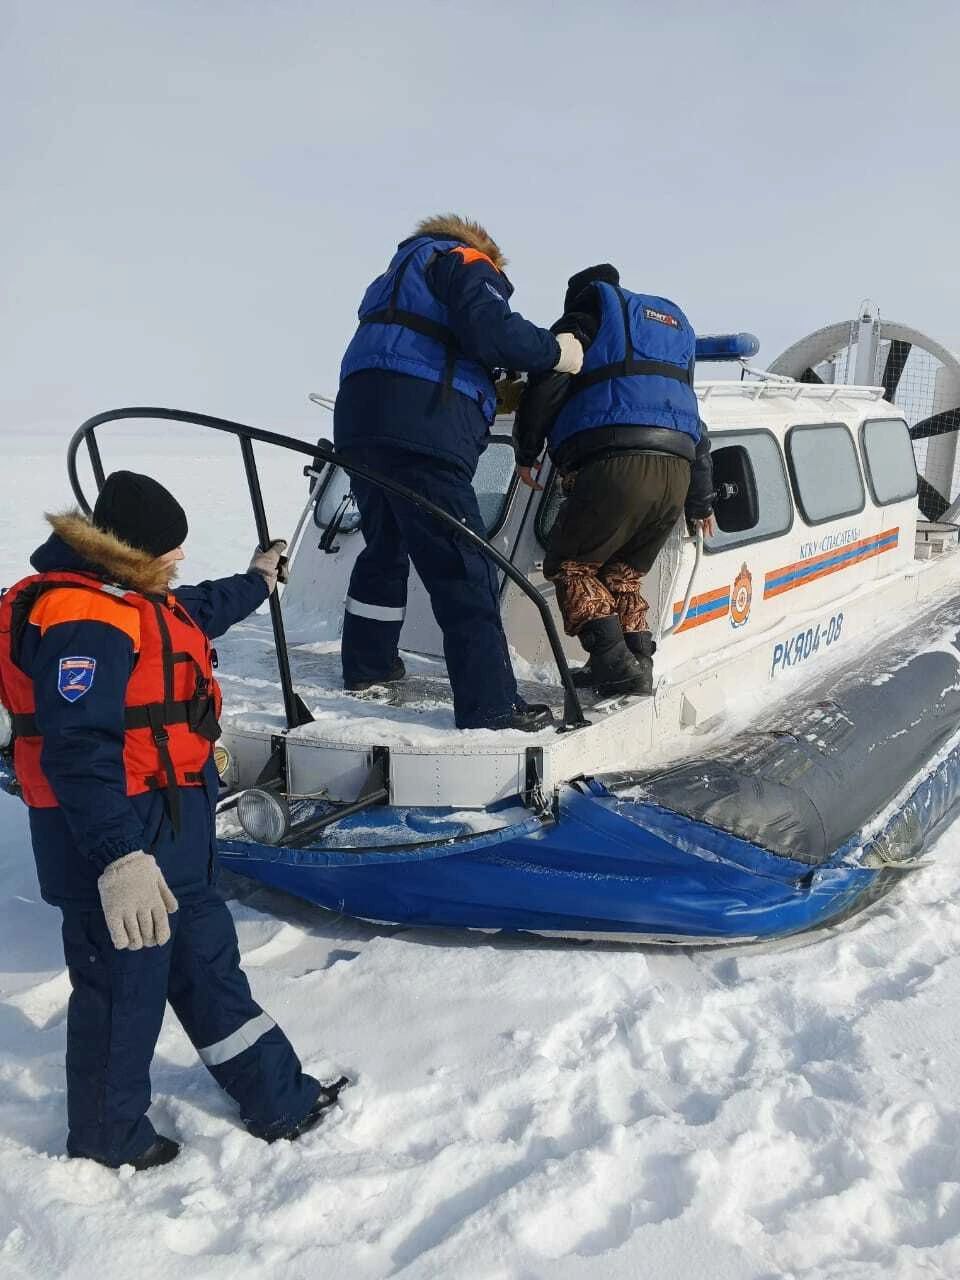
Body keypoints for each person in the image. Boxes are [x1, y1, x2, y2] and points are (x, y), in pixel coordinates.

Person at [0, 471, 345, 1170]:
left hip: (173, 829)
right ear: (130, 551)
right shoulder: (81, 619)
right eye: (170, 549)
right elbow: (78, 750)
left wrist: (259, 579)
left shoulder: (133, 599)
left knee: (208, 968)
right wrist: (119, 859)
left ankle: (278, 1098)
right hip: (114, 837)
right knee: (122, 987)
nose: (179, 560)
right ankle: (107, 1137)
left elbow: (199, 608)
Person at [334, 213, 584, 731]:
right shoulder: (465, 261)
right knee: (465, 569)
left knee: (384, 547)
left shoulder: (391, 279)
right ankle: (490, 706)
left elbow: (427, 343)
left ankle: (368, 663)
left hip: (360, 429)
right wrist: (558, 353)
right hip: (423, 433)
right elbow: (494, 331)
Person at [513, 264, 716, 697]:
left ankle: (614, 663)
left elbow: (550, 380)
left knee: (571, 566)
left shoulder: (587, 317)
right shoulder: (664, 341)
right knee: (621, 574)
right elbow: (694, 422)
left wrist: (527, 450)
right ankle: (636, 662)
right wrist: (701, 502)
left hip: (618, 466)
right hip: (676, 472)